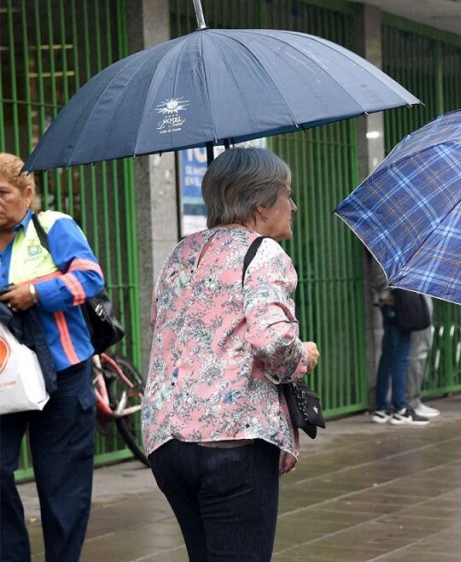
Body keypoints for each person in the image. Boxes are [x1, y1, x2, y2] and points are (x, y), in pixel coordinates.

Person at [142, 148, 321, 561]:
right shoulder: (263, 253)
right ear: (261, 204)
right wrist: (304, 357)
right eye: (286, 195)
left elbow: (164, 332)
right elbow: (274, 342)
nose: (292, 205)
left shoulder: (180, 253)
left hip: (168, 440)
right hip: (233, 442)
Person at [0, 153, 105, 562]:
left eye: (2, 193)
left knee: (63, 490)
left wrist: (36, 293)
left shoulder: (54, 227)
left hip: (63, 373)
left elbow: (90, 278)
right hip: (4, 376)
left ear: (27, 193)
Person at [369, 265, 430, 425]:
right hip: (398, 304)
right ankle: (400, 408)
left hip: (388, 303)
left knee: (388, 357)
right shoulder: (397, 250)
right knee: (400, 358)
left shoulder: (382, 248)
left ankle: (382, 407)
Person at [406, 296, 440, 418]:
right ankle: (412, 400)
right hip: (415, 297)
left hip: (418, 296)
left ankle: (413, 399)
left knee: (419, 352)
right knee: (417, 353)